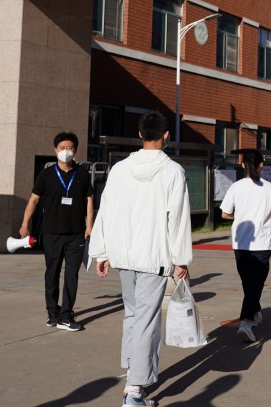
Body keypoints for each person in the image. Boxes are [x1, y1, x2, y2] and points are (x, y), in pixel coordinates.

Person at [89, 111, 191, 407]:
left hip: (123, 254)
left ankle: (132, 373)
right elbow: (178, 219)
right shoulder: (173, 171)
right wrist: (180, 258)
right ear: (166, 136)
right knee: (146, 320)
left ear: (139, 134)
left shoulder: (120, 169)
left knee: (133, 316)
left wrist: (102, 251)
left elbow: (105, 209)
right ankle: (134, 391)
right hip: (154, 255)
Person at [20, 132, 93, 331]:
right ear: (55, 150)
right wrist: (25, 223)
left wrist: (89, 225)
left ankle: (66, 314)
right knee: (51, 273)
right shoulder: (47, 174)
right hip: (52, 233)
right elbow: (34, 199)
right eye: (62, 148)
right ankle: (52, 311)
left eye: (69, 148)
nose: (66, 151)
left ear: (76, 150)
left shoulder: (83, 173)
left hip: (76, 233)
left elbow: (89, 200)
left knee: (72, 275)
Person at [220, 149, 271, 343]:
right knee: (255, 284)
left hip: (240, 242)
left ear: (242, 166)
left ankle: (255, 312)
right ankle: (246, 322)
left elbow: (224, 214)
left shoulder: (236, 187)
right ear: (261, 165)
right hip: (261, 243)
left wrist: (239, 216)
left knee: (248, 283)